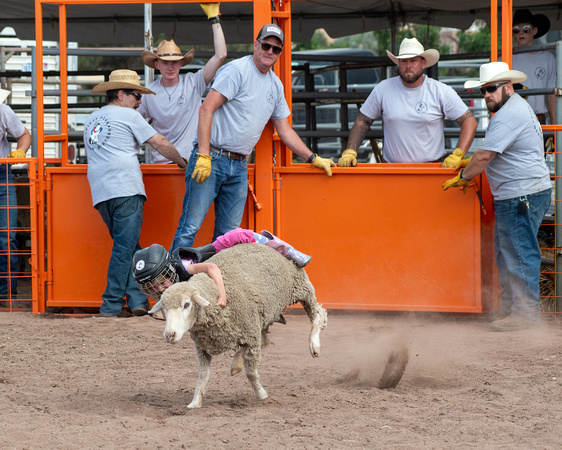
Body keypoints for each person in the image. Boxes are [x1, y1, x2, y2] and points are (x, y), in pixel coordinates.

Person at [170, 23, 335, 251]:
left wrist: (313, 158)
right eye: (266, 45)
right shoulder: (237, 71)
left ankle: (218, 286)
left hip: (239, 165)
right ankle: (170, 285)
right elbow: (206, 109)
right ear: (255, 45)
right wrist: (204, 155)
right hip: (213, 158)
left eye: (276, 49)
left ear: (280, 53)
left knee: (228, 236)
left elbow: (285, 130)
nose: (270, 52)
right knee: (190, 227)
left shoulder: (275, 85)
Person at [442, 62, 551, 332]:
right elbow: (490, 152)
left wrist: (464, 176)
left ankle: (525, 313)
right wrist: (469, 163)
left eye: (491, 89)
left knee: (518, 253)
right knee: (508, 253)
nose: (487, 95)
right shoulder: (514, 109)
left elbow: (484, 155)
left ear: (508, 87)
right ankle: (513, 307)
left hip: (520, 195)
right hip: (521, 193)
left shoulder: (507, 115)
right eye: (484, 91)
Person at [84, 69, 188, 318]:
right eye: (136, 95)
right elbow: (159, 142)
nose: (139, 101)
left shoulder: (91, 119)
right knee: (124, 249)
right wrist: (183, 162)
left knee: (128, 247)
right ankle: (110, 304)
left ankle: (138, 299)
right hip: (126, 187)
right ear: (121, 94)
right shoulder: (128, 116)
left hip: (101, 192)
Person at [338, 37, 477, 168]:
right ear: (398, 63)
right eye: (404, 61)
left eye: (413, 60)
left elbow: (469, 121)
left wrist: (458, 154)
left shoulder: (440, 91)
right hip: (393, 171)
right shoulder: (383, 89)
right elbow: (363, 120)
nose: (408, 65)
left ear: (423, 63)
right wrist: (350, 151)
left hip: (431, 170)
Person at [133, 228, 311, 311]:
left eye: (162, 282)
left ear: (170, 270)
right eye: (153, 287)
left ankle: (289, 249)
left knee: (269, 246)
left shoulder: (187, 267)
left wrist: (222, 295)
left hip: (230, 241)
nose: (160, 289)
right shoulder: (171, 282)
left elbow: (212, 267)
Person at [138, 3, 227, 163]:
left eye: (174, 62)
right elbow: (132, 120)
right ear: (157, 64)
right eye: (165, 62)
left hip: (192, 161)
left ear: (181, 63)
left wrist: (214, 19)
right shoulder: (149, 93)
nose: (170, 66)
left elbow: (220, 55)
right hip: (162, 163)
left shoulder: (194, 82)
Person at [0, 89, 31, 304]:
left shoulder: (2, 111)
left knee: (6, 237)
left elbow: (24, 135)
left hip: (1, 173)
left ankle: (6, 294)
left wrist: (21, 150)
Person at [512, 8, 555, 125]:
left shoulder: (547, 58)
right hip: (512, 120)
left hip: (538, 120)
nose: (520, 32)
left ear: (535, 30)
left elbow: (551, 96)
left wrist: (556, 131)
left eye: (526, 29)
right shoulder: (504, 58)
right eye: (516, 29)